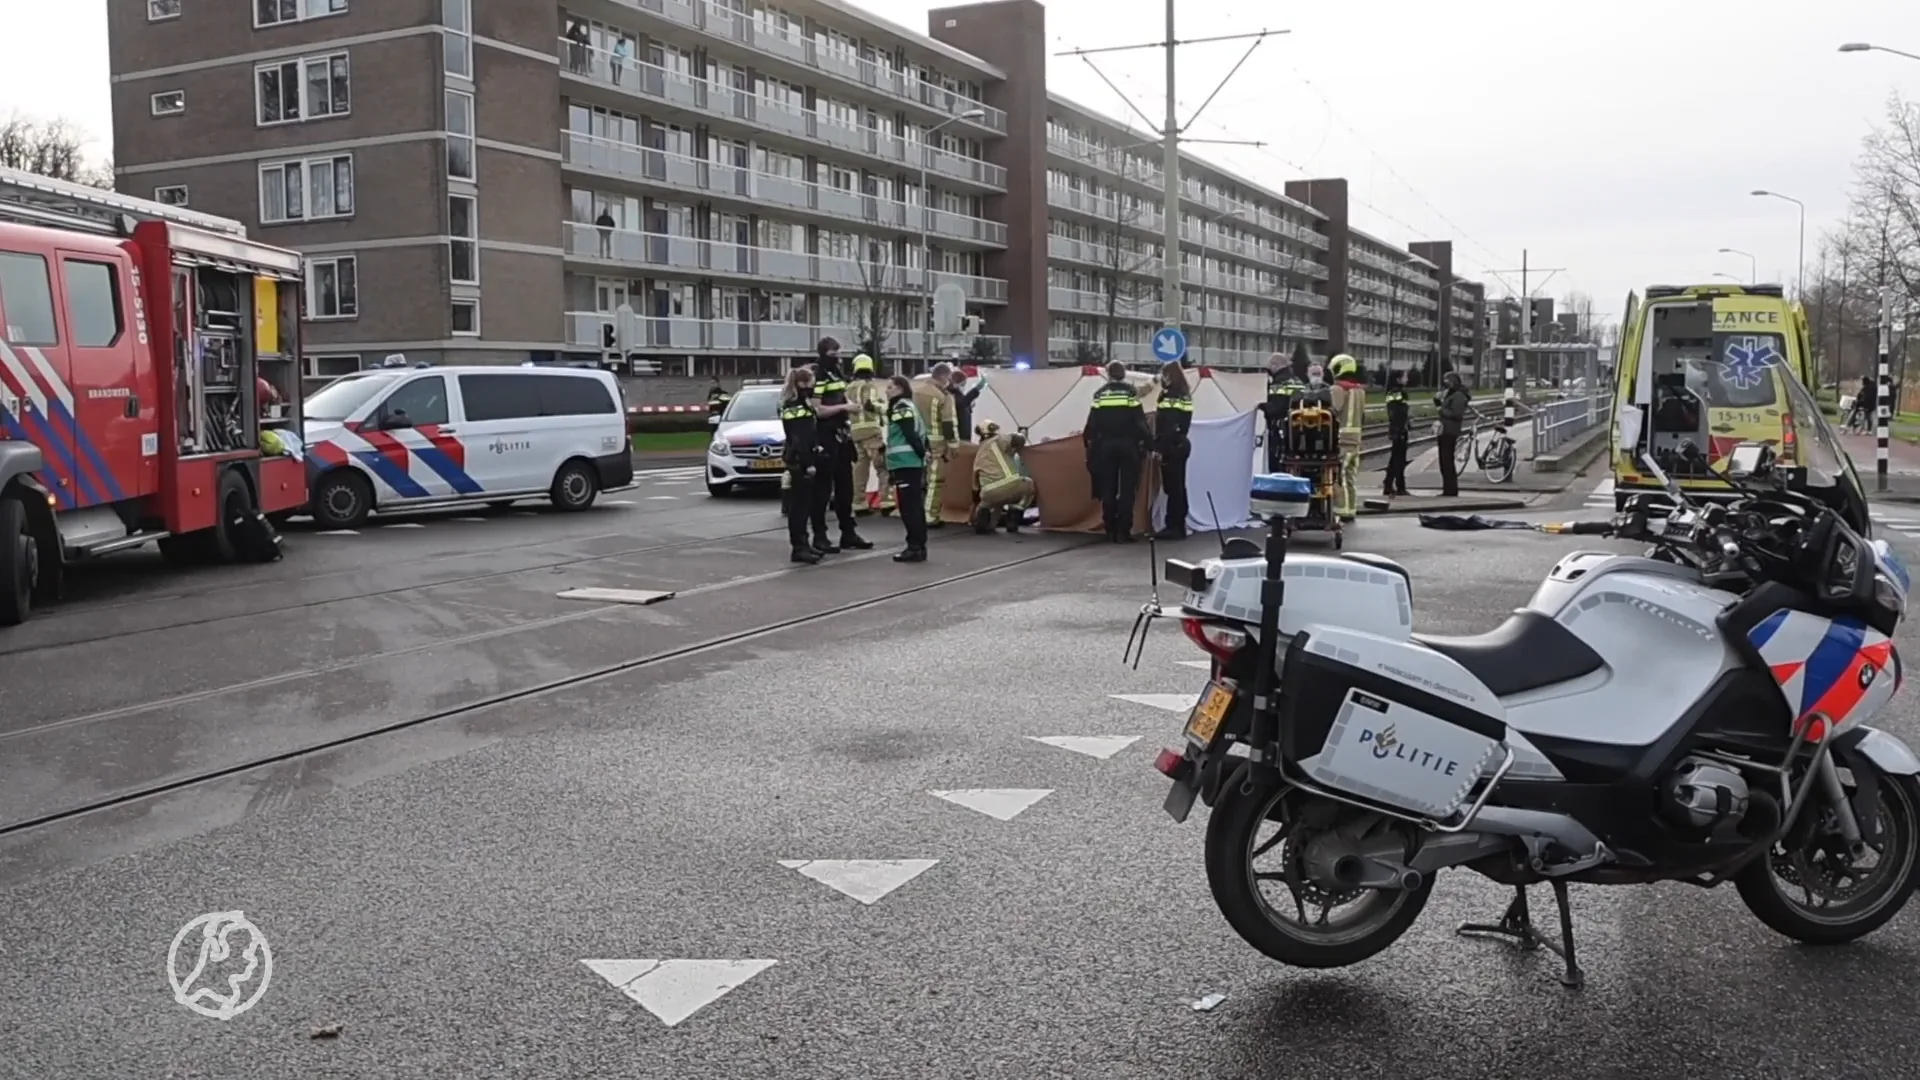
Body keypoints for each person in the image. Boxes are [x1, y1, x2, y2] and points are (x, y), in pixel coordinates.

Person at [779, 366, 852, 565]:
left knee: (805, 504)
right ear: (802, 384)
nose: (813, 387)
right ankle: (799, 547)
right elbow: (800, 438)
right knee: (799, 507)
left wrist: (816, 449)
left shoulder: (801, 403)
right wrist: (809, 462)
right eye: (811, 383)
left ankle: (804, 544)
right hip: (800, 462)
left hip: (803, 458)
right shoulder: (796, 406)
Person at [809, 337, 873, 552]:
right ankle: (820, 536)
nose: (837, 357)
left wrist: (847, 405)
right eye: (833, 354)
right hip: (825, 436)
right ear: (823, 353)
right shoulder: (819, 376)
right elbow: (817, 409)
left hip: (841, 434)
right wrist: (844, 407)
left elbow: (840, 396)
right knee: (823, 489)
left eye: (838, 353)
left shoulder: (835, 374)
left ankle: (849, 532)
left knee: (846, 486)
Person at [1083, 360, 1150, 542]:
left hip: (1105, 446)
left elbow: (1092, 424)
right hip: (1128, 446)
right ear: (1124, 374)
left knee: (1108, 489)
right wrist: (1148, 442)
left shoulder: (1099, 394)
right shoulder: (1130, 393)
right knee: (1127, 489)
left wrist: (1088, 444)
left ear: (1108, 374)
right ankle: (1124, 531)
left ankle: (1110, 528)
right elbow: (1139, 421)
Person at [883, 375, 930, 562]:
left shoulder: (902, 408)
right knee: (914, 506)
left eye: (890, 387)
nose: (887, 391)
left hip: (907, 462)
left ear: (900, 388)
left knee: (909, 508)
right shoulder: (908, 406)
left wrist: (920, 453)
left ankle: (914, 547)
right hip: (908, 462)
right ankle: (918, 545)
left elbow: (910, 433)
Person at [910, 363, 957, 526]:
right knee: (935, 480)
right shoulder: (944, 396)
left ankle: (913, 512)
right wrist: (953, 444)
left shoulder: (916, 391)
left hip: (915, 440)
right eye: (949, 377)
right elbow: (948, 423)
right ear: (943, 376)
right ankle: (930, 514)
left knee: (916, 479)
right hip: (936, 442)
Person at [1152, 361, 1194, 540]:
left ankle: (1173, 527)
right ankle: (1179, 524)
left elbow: (1168, 425)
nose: (1162, 378)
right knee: (1178, 487)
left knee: (1173, 487)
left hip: (1172, 446)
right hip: (1181, 444)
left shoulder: (1171, 397)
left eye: (1164, 374)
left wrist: (1159, 447)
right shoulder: (1183, 394)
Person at [969, 422, 1034, 534]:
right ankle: (1013, 516)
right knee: (1029, 485)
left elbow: (975, 487)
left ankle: (985, 518)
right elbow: (1019, 439)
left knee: (993, 502)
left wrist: (978, 504)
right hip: (1010, 485)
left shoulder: (978, 455)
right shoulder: (999, 439)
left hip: (988, 492)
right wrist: (1020, 439)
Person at [847, 354, 890, 515]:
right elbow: (870, 404)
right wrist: (886, 409)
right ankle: (886, 501)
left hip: (856, 433)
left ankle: (859, 503)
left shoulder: (849, 387)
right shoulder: (869, 386)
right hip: (871, 432)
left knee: (860, 469)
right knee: (882, 467)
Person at [1327, 355, 1366, 521]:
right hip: (1355, 440)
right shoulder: (1359, 391)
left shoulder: (1337, 389)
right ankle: (1351, 509)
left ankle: (1342, 510)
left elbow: (1333, 410)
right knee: (1350, 477)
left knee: (1338, 477)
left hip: (1342, 440)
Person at [1261, 351, 1306, 472]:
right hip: (1298, 427)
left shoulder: (1279, 382)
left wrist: (1261, 407)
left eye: (1270, 366)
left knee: (1277, 460)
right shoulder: (1297, 381)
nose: (1269, 370)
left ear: (1276, 365)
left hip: (1281, 427)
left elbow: (1276, 408)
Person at [1435, 371, 1472, 497]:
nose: (1445, 384)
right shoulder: (1451, 394)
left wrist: (1441, 410)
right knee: (1444, 461)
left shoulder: (1458, 396)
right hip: (1444, 430)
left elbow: (1457, 414)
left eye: (1447, 381)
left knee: (1447, 461)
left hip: (1450, 431)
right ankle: (1447, 489)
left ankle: (1450, 490)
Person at [1382, 371, 1412, 497]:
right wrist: (1402, 426)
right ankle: (1396, 486)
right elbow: (1397, 411)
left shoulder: (1395, 392)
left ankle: (1391, 484)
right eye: (1404, 377)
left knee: (1396, 458)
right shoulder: (1397, 392)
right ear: (1398, 379)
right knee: (1399, 459)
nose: (1407, 379)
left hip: (1397, 428)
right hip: (1399, 429)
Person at [947, 369, 983, 442]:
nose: (964, 386)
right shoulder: (949, 394)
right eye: (963, 384)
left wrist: (969, 406)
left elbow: (963, 403)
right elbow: (962, 403)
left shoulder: (958, 394)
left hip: (964, 434)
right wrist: (976, 389)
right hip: (959, 435)